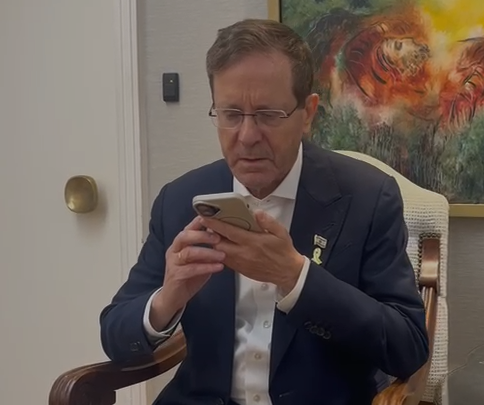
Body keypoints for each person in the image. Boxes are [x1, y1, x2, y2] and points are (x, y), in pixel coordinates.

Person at [100, 18, 429, 405]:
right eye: (231, 114)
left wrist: (296, 278)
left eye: (268, 115)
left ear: (308, 113)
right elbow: (115, 334)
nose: (247, 136)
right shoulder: (179, 199)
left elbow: (407, 346)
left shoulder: (368, 197)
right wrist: (167, 299)